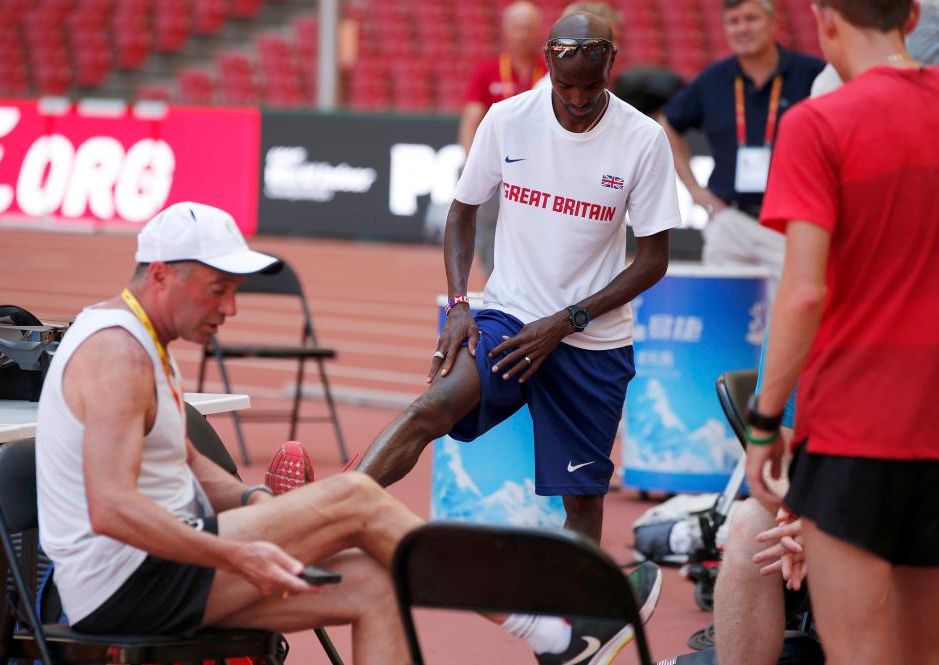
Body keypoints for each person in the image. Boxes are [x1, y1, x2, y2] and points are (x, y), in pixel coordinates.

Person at [34, 201, 659, 665]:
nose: (230, 309)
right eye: (219, 290)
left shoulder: (146, 339)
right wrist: (238, 550)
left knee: (376, 584)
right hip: (127, 583)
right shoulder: (118, 354)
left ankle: (553, 636)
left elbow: (193, 469)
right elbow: (111, 508)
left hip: (173, 566)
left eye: (235, 292)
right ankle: (549, 633)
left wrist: (263, 508)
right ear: (162, 275)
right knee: (358, 498)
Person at [359, 12, 681, 549]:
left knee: (581, 500)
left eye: (590, 86)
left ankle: (576, 625)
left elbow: (652, 260)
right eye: (566, 85)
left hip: (591, 339)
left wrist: (565, 322)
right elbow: (462, 212)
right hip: (508, 318)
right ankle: (321, 510)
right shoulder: (508, 119)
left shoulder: (642, 139)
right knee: (429, 409)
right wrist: (461, 303)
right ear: (548, 63)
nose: (578, 99)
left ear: (612, 66)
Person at [713, 3, 939, 663]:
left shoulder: (815, 121)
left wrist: (762, 424)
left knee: (860, 651)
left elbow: (802, 291)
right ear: (911, 15)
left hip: (852, 429)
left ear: (823, 18)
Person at [659, 0, 824, 299]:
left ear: (773, 23)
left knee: (791, 319)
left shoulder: (811, 74)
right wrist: (695, 191)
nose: (742, 28)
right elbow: (667, 125)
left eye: (751, 19)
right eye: (733, 22)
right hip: (730, 220)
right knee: (723, 319)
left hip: (789, 225)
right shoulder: (714, 79)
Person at [458, 0, 545, 278]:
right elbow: (471, 119)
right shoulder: (487, 70)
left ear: (539, 32)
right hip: (496, 167)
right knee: (489, 224)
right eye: (518, 28)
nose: (523, 34)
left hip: (537, 170)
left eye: (529, 28)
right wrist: (474, 165)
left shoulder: (548, 72)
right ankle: (493, 281)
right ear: (506, 30)